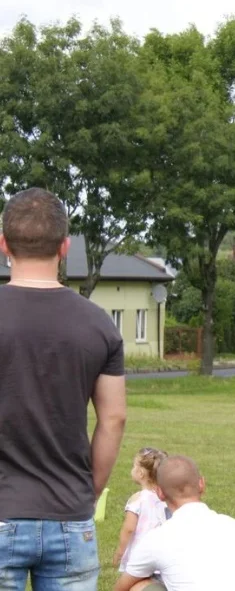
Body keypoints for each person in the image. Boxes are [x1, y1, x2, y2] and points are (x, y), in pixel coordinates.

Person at [0, 187, 127, 590]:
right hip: (70, 515)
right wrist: (88, 493)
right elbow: (113, 418)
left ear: (4, 243)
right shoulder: (98, 323)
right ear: (64, 247)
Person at [113, 455, 235, 591]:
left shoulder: (158, 538)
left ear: (159, 493)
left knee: (139, 587)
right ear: (202, 484)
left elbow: (121, 587)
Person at [114, 448, 170, 573]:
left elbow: (129, 529)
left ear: (140, 473)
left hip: (140, 555)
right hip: (162, 555)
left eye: (134, 466)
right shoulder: (167, 498)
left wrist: (120, 551)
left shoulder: (137, 499)